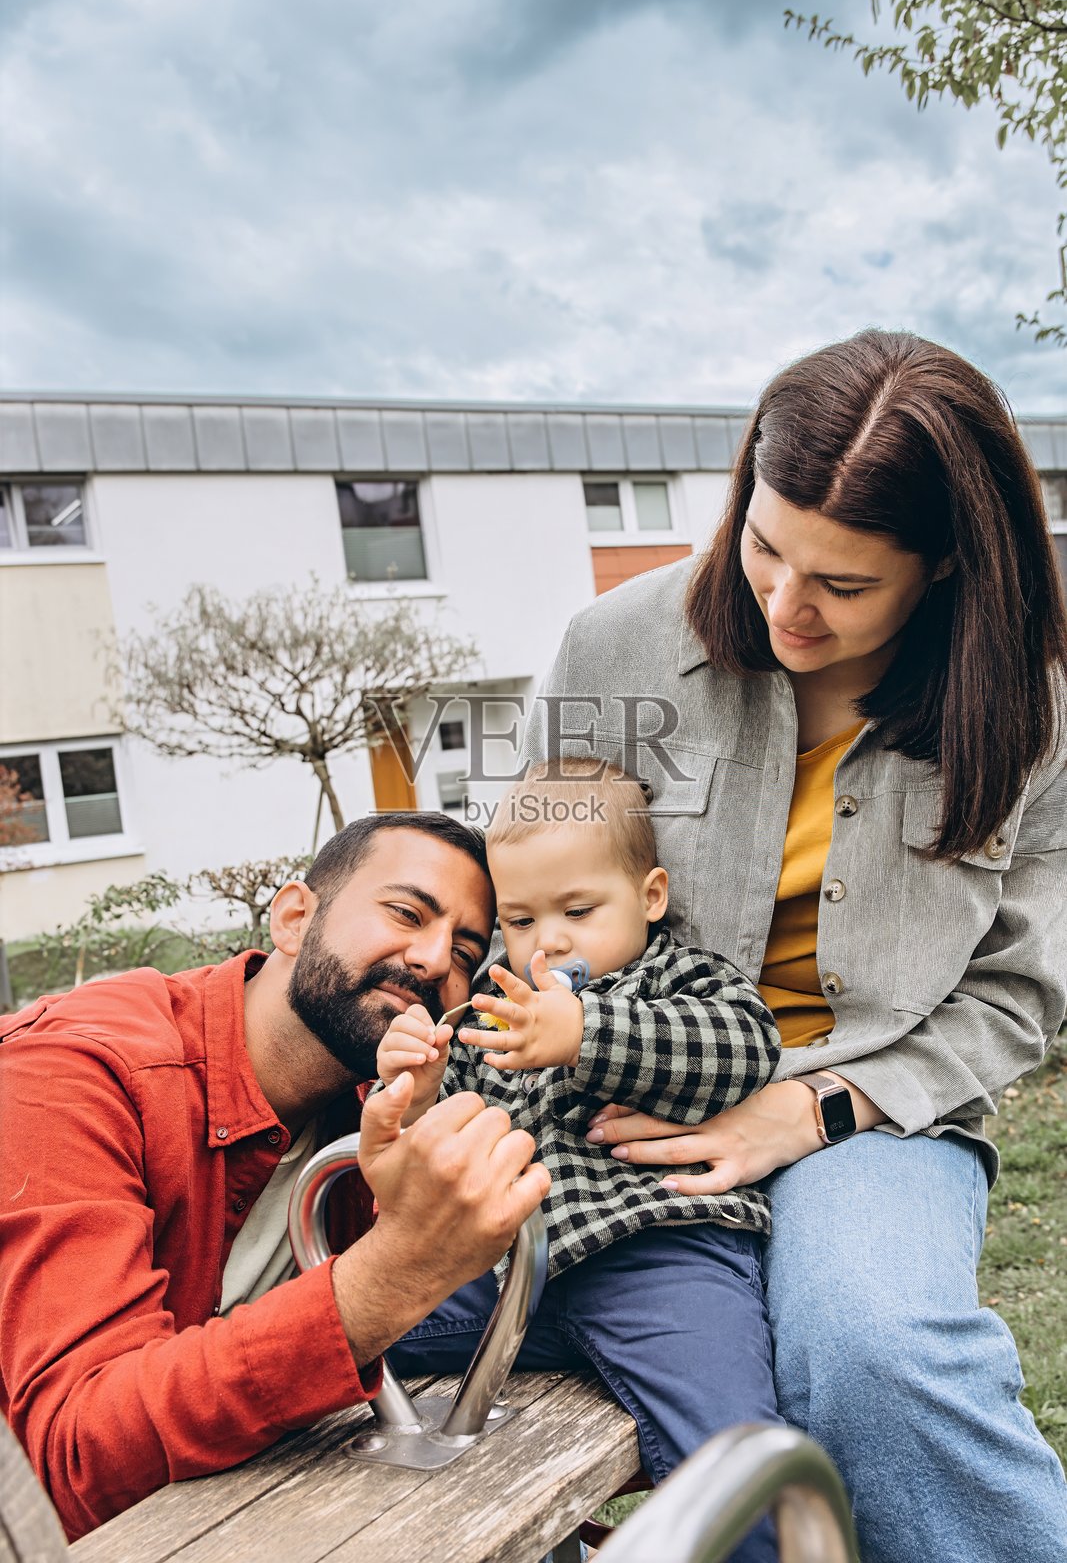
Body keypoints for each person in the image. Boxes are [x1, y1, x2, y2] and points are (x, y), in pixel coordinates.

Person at [519, 329, 1067, 1563]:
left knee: (873, 1351)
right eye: (762, 547)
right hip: (619, 1091)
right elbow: (525, 887)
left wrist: (810, 1112)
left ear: (943, 565)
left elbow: (1014, 995)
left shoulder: (1032, 706)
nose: (782, 606)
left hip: (875, 1103)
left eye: (843, 585)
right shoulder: (611, 650)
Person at [0, 813, 550, 1541]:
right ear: (293, 918)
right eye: (406, 913)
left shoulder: (384, 1096)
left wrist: (710, 1129)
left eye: (464, 951)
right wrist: (390, 1275)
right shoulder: (69, 1076)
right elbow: (73, 1460)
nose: (431, 959)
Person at [379, 758, 784, 1563]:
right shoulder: (492, 1011)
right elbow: (433, 1149)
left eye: (577, 910)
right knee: (342, 1340)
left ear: (650, 896)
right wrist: (414, 1091)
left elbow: (745, 1047)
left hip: (659, 1257)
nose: (550, 940)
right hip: (507, 1280)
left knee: (733, 1461)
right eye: (521, 920)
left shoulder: (678, 977)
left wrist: (586, 1033)